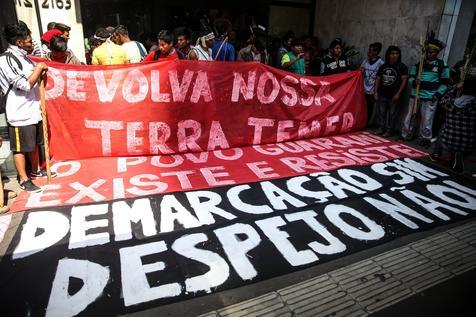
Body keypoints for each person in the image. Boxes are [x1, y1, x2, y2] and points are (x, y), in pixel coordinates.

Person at [0, 21, 57, 192]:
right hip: (19, 111)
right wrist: (38, 69)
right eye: (29, 41)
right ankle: (24, 179)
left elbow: (35, 77)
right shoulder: (6, 60)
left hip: (33, 108)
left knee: (33, 144)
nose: (32, 43)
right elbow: (24, 84)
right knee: (20, 147)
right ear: (19, 42)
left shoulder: (25, 58)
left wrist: (40, 70)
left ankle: (35, 170)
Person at [401, 36, 450, 147]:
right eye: (427, 52)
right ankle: (406, 134)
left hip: (430, 97)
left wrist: (437, 94)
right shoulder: (419, 64)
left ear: (437, 53)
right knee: (409, 116)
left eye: (432, 52)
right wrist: (414, 82)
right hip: (416, 95)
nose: (429, 54)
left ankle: (425, 138)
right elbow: (410, 77)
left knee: (427, 119)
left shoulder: (442, 65)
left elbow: (445, 83)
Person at [430, 79, 476, 173]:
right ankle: (458, 155)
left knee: (444, 127)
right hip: (468, 144)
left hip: (448, 141)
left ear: (462, 89)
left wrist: (455, 88)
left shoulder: (450, 102)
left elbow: (442, 100)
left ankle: (436, 154)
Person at [374, 46, 408, 136]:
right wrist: (376, 92)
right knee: (381, 112)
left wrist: (398, 94)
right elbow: (377, 79)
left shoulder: (402, 67)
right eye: (392, 53)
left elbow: (404, 81)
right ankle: (381, 128)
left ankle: (389, 130)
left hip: (394, 95)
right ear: (388, 55)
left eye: (397, 54)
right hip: (383, 94)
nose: (394, 55)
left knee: (392, 114)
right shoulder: (383, 66)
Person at [361, 42, 385, 125]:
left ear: (376, 52)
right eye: (368, 50)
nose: (368, 52)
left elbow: (381, 79)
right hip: (363, 89)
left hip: (372, 90)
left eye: (370, 50)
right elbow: (360, 73)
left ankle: (366, 123)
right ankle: (361, 121)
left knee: (370, 107)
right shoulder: (365, 61)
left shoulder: (381, 63)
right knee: (362, 107)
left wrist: (377, 91)